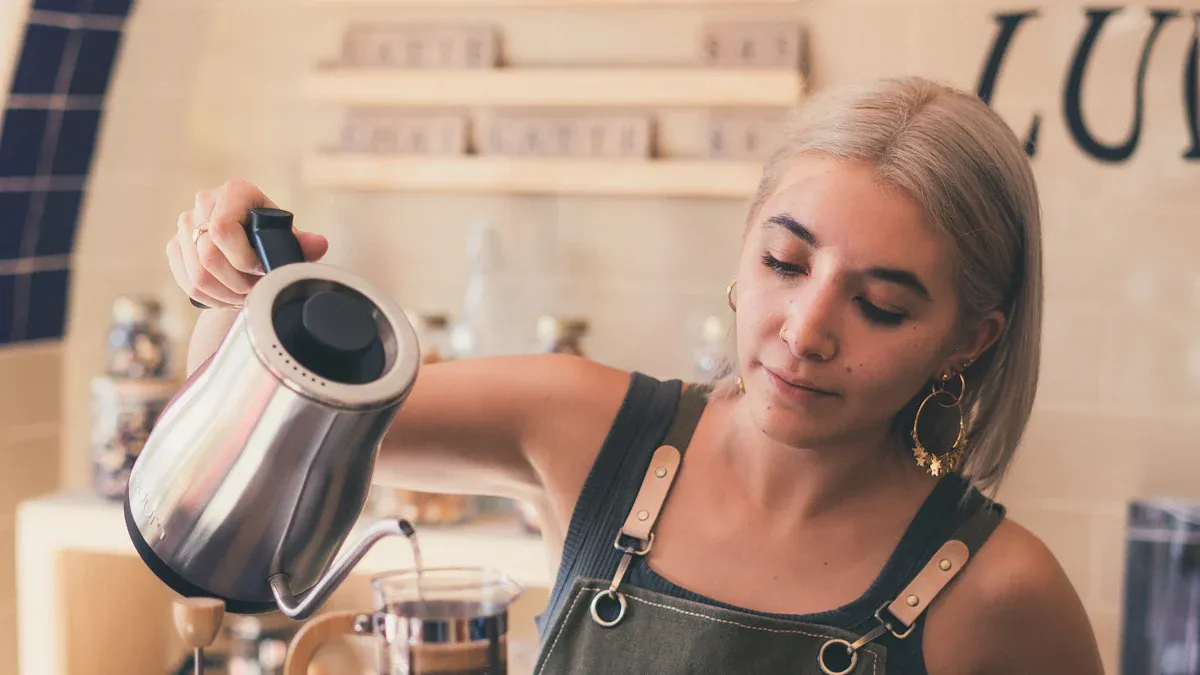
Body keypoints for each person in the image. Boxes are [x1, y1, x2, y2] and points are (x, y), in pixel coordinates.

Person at [166, 76, 1104, 674]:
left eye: (882, 305)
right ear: (743, 253)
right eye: (785, 263)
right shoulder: (583, 428)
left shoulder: (1002, 595)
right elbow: (261, 422)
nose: (806, 329)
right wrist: (230, 284)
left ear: (968, 342)